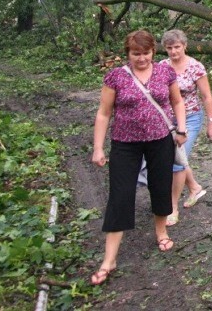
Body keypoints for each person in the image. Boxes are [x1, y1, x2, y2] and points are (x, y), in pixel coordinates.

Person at [90, 30, 187, 286]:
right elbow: (103, 113)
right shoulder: (116, 77)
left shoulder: (166, 73)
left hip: (160, 140)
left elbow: (177, 102)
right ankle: (109, 259)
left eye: (145, 53)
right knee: (120, 195)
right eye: (136, 54)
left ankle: (161, 231)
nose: (141, 58)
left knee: (160, 186)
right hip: (125, 143)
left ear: (153, 51)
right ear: (128, 54)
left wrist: (181, 128)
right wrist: (98, 148)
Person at [160, 29, 212, 226]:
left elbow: (207, 96)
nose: (174, 51)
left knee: (176, 162)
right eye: (169, 48)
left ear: (184, 46)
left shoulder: (195, 67)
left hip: (191, 118)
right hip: (168, 120)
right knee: (176, 158)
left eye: (177, 47)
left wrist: (211, 122)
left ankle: (172, 208)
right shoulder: (161, 67)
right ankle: (194, 187)